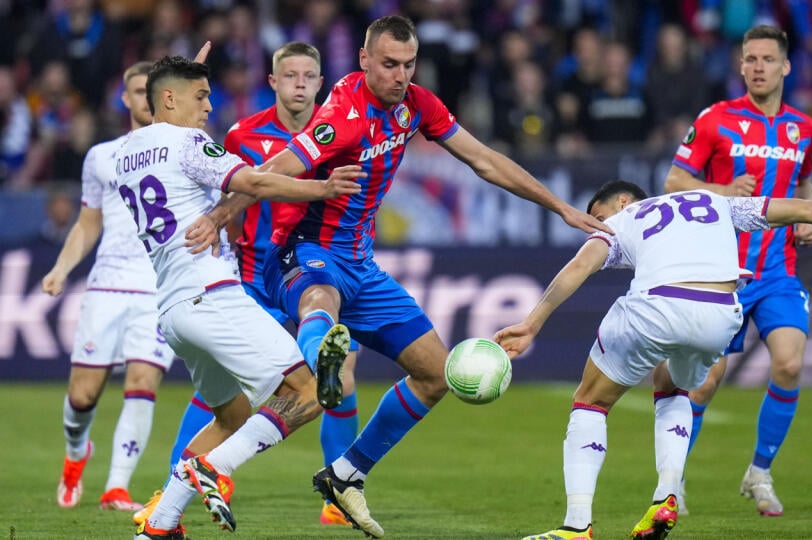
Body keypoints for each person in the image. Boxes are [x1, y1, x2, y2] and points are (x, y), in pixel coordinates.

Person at [191, 15, 610, 538]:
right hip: (308, 250)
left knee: (437, 374)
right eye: (389, 64)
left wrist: (562, 208)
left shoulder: (417, 104)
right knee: (320, 301)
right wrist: (217, 217)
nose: (400, 75)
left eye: (408, 65)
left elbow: (483, 160)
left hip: (361, 264)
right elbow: (276, 168)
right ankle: (322, 351)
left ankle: (346, 474)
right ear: (365, 59)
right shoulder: (342, 112)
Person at [496, 180, 812, 540]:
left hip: (659, 306)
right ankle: (667, 493)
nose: (593, 225)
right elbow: (804, 208)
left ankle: (576, 526)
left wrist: (532, 323)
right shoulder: (716, 203)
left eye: (596, 216)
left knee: (590, 400)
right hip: (719, 312)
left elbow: (580, 264)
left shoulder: (625, 218)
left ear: (621, 203)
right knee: (672, 384)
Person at [119, 55, 364, 540]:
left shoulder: (129, 150)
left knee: (232, 415)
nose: (210, 106)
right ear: (169, 98)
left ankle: (160, 525)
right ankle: (210, 470)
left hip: (172, 310)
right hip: (210, 293)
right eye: (201, 96)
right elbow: (251, 181)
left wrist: (186, 68)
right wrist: (322, 187)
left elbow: (169, 109)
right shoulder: (186, 141)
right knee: (310, 391)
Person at [663, 24, 812, 516]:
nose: (757, 67)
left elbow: (803, 181)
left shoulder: (803, 128)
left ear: (785, 66)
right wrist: (726, 192)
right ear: (740, 65)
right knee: (705, 383)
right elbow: (673, 182)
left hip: (778, 271)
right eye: (750, 59)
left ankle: (760, 472)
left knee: (789, 362)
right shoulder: (715, 119)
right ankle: (673, 481)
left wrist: (807, 217)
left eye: (767, 59)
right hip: (722, 271)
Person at [41, 61, 173, 513]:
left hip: (160, 291)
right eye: (137, 91)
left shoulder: (185, 152)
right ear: (125, 98)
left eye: (151, 91)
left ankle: (116, 487)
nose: (144, 99)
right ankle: (77, 453)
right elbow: (87, 223)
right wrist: (62, 269)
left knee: (143, 382)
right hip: (108, 287)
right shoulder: (101, 156)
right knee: (82, 397)